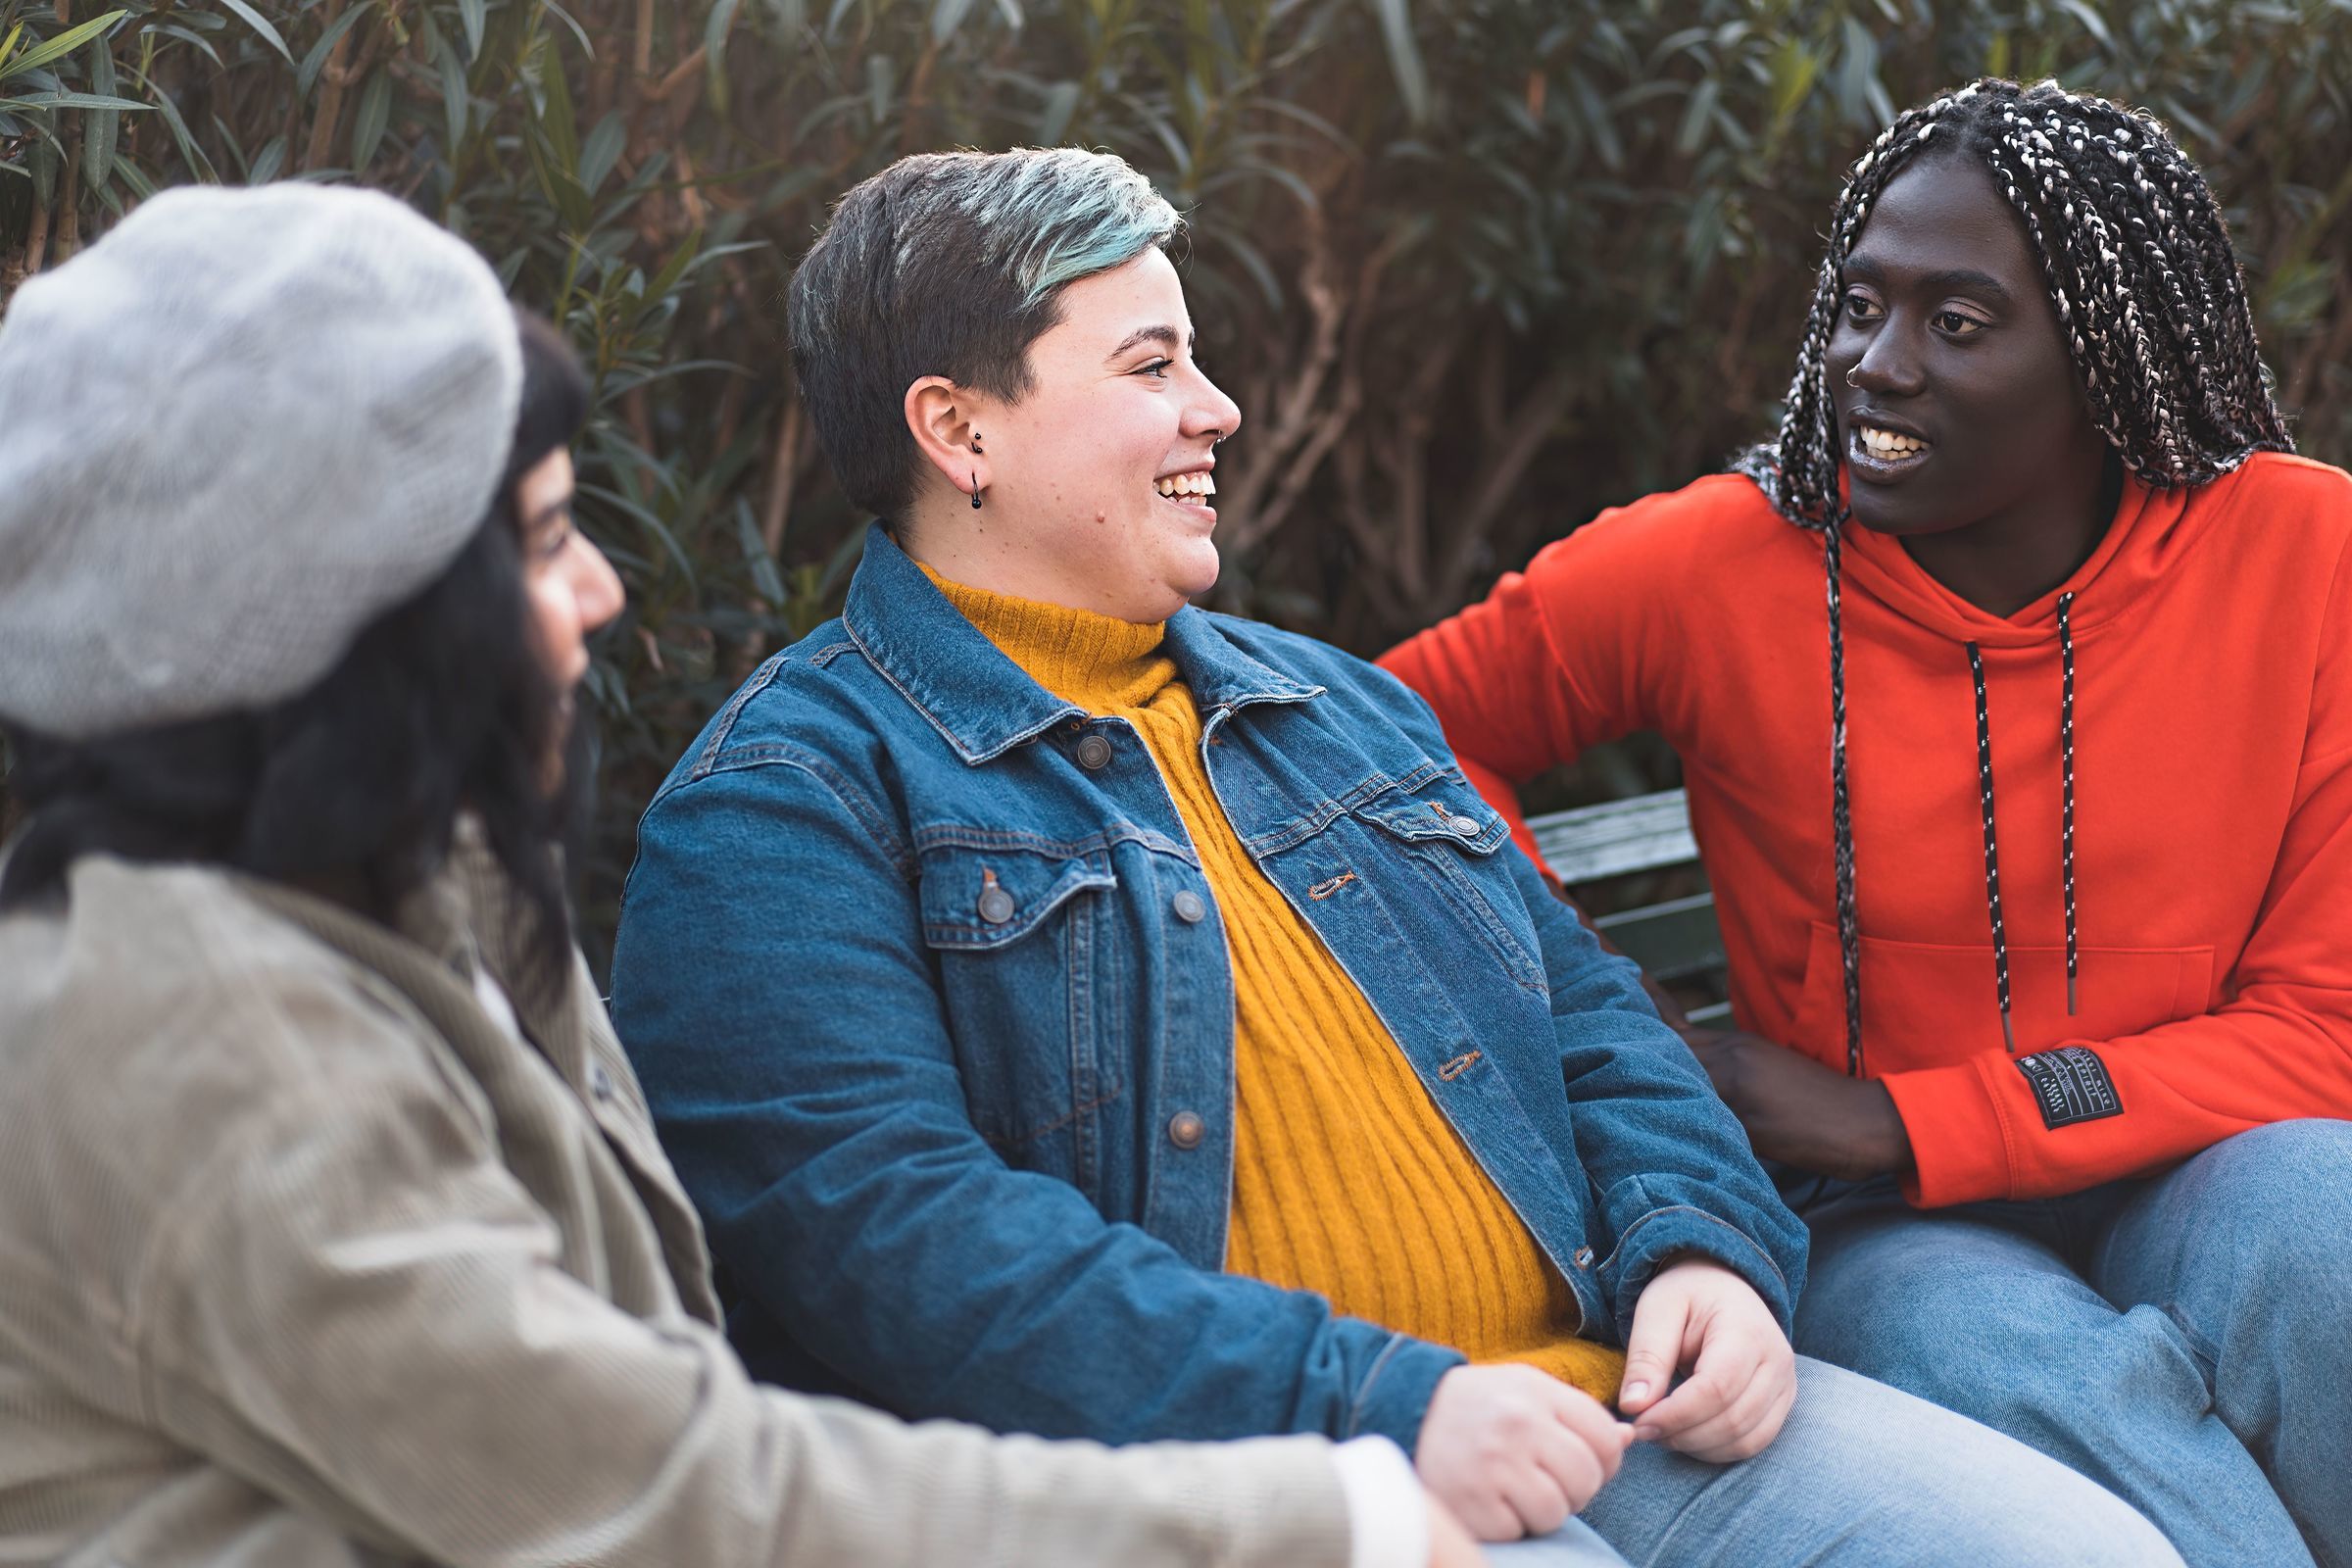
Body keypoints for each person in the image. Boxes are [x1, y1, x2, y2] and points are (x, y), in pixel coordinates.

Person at [608, 145, 2180, 1567]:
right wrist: (1388, 1398)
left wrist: (1702, 1249)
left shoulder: (1328, 708)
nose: (1215, 410)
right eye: (1153, 365)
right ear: (959, 432)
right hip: (1277, 1489)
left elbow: (1589, 1019)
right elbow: (899, 1247)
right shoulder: (784, 804)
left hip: (1612, 1406)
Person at [0, 181, 1490, 1568]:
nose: (602, 588)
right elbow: (667, 1495)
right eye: (539, 541)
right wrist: (1336, 1502)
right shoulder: (183, 1036)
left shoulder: (414, 898)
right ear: (333, 624)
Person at [1380, 76, 2352, 1568]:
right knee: (2034, 1375)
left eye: (1955, 325)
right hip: (1879, 1223)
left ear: (2101, 364)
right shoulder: (1716, 562)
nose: (1871, 368)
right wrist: (1586, 998)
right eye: (1857, 308)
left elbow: (2323, 1030)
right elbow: (1387, 745)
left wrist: (1902, 1111)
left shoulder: (2306, 555)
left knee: (2333, 1226)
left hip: (2205, 1155)